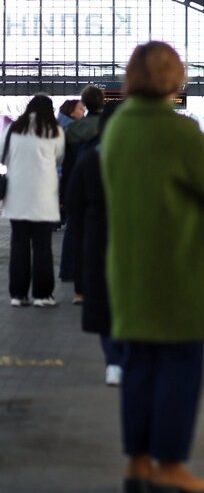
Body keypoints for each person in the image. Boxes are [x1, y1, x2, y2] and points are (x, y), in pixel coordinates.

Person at [102, 41, 204, 493]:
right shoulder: (182, 134)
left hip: (129, 270)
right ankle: (171, 467)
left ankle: (139, 464)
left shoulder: (118, 129)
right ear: (173, 78)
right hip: (179, 272)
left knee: (139, 368)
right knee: (180, 370)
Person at [65, 101, 124, 386]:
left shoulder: (90, 158)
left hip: (98, 239)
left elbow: (73, 203)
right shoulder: (140, 158)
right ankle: (130, 357)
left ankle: (113, 362)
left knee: (103, 302)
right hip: (132, 239)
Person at [2, 94, 65, 307]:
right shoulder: (55, 131)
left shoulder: (13, 129)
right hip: (43, 197)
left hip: (16, 196)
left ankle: (18, 295)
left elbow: (3, 155)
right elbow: (59, 158)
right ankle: (42, 295)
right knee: (42, 247)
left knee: (18, 246)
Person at [60, 85, 105, 291]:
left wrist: (65, 191)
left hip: (77, 184)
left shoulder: (72, 129)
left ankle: (69, 270)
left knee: (73, 229)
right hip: (103, 186)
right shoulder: (110, 127)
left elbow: (67, 164)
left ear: (84, 104)